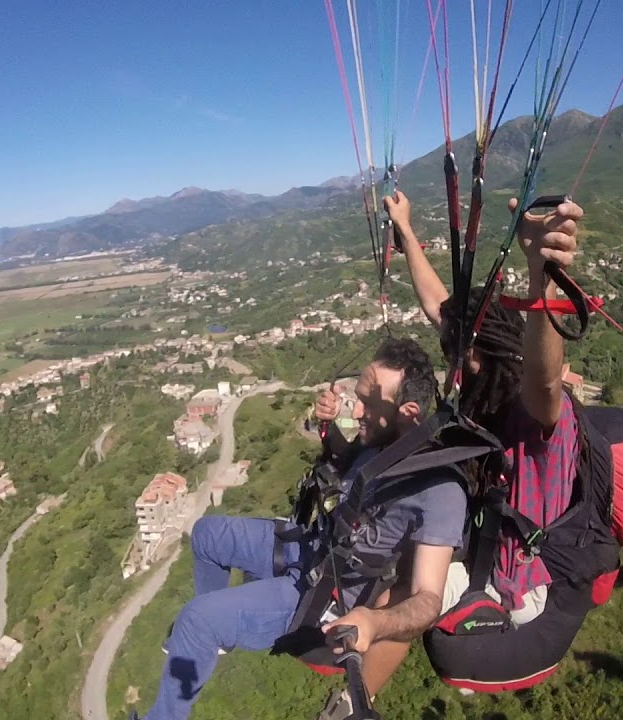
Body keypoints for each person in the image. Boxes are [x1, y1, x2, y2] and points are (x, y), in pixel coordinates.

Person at [314, 190, 589, 718]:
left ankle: (351, 704)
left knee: (407, 577)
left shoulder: (534, 421)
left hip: (522, 581)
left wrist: (541, 277)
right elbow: (436, 300)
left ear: (482, 360)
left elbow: (546, 378)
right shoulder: (480, 384)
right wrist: (405, 228)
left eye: (457, 355)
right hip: (485, 543)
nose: (450, 366)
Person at [131, 337, 468, 720]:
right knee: (207, 535)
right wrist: (329, 429)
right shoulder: (382, 443)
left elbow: (428, 598)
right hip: (312, 546)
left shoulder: (439, 489)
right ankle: (214, 638)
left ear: (408, 411)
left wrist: (375, 622)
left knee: (196, 618)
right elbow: (347, 466)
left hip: (326, 593)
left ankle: (196, 648)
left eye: (368, 405)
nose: (356, 411)